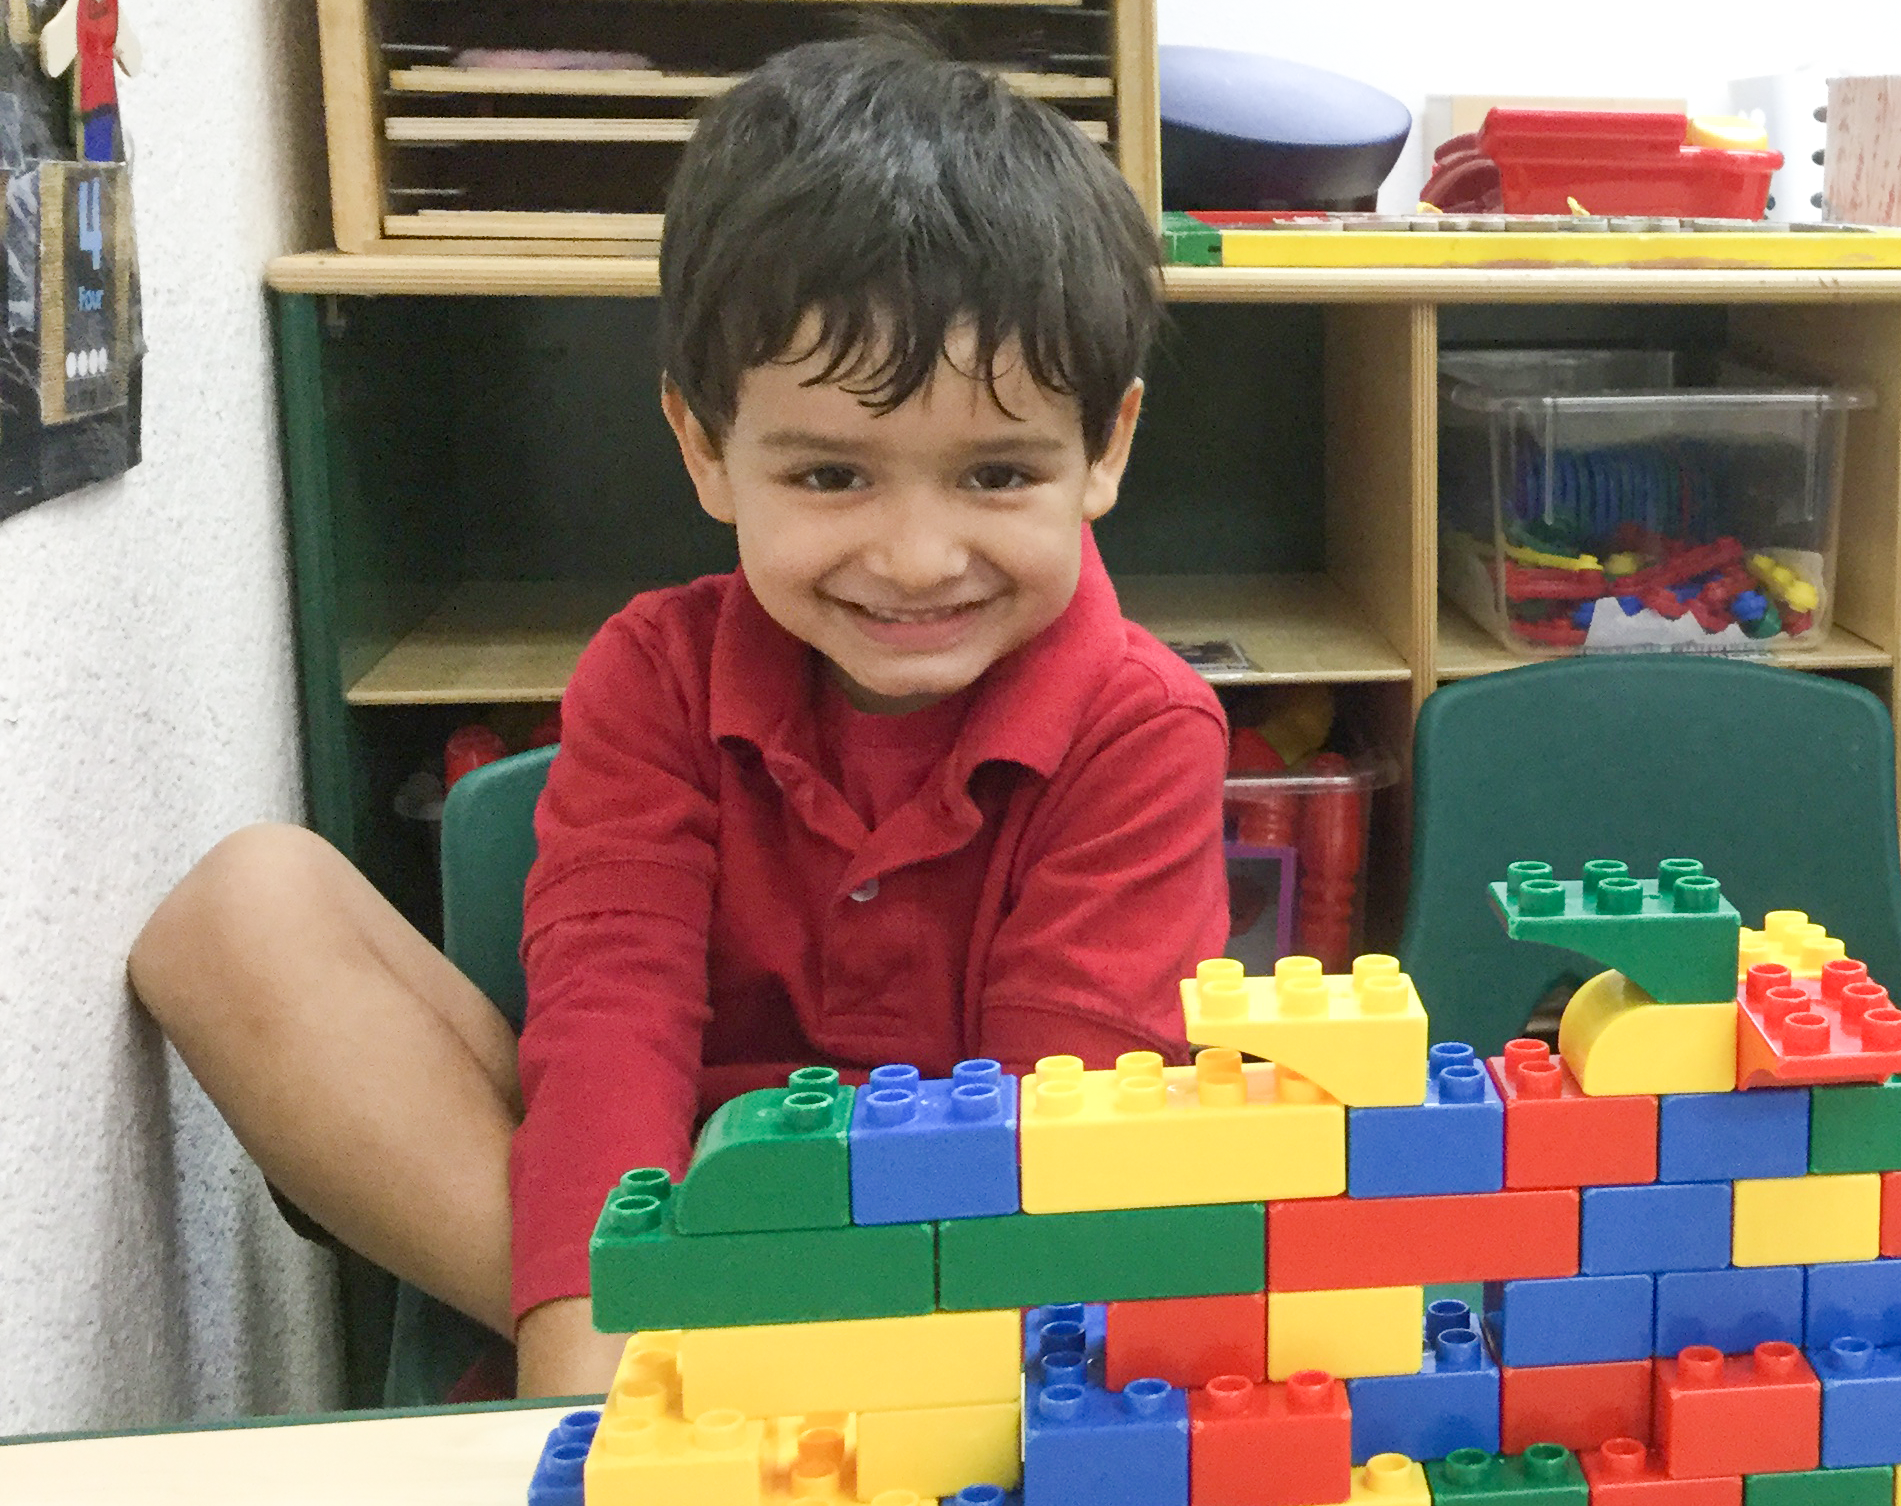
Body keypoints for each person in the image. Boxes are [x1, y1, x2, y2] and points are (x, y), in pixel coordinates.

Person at [128, 34, 1226, 1398]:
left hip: (965, 1296)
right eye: (831, 474)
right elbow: (607, 1024)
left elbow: (1050, 1142)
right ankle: (656, 1366)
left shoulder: (1140, 723)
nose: (916, 554)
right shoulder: (654, 670)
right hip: (670, 1227)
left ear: (1104, 449)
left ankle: (719, 1372)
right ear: (705, 447)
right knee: (241, 908)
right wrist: (586, 1358)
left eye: (997, 472)